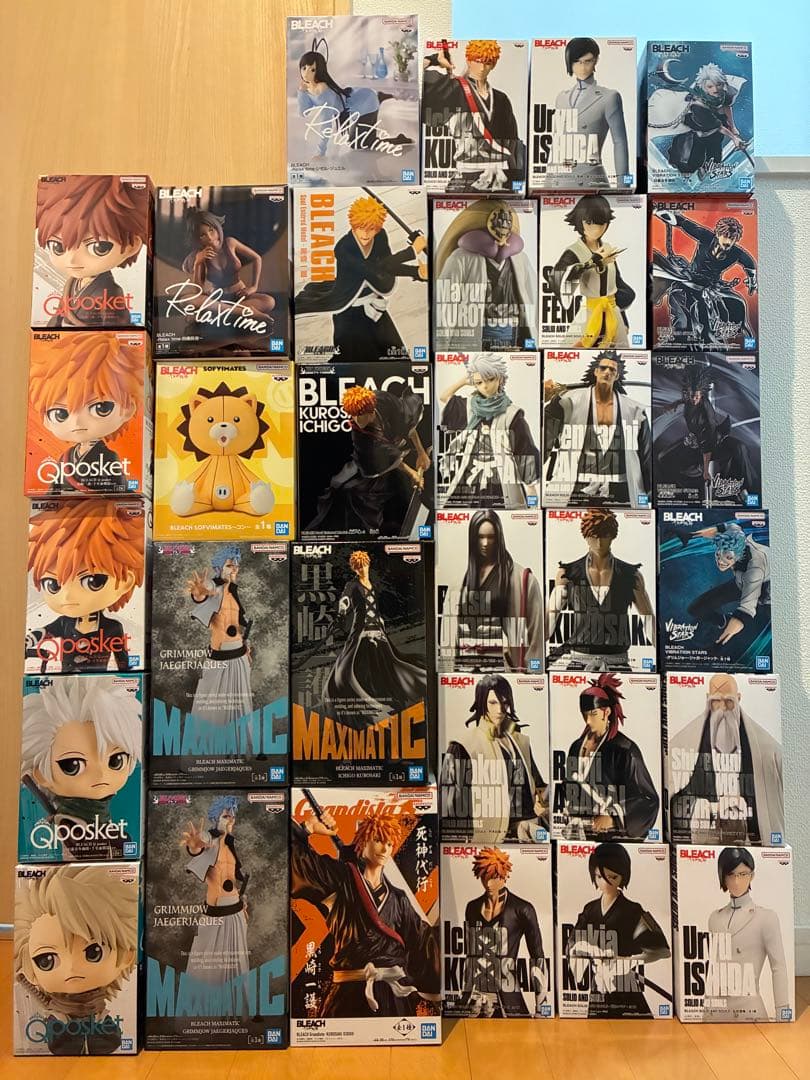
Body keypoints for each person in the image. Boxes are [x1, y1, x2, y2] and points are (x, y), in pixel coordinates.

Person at [291, 804, 441, 1017]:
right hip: (348, 993)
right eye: (378, 840)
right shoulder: (341, 879)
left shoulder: (398, 898)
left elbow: (423, 941)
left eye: (389, 843)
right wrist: (308, 827)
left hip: (393, 996)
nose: (385, 849)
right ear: (363, 842)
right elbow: (301, 865)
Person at [14, 865, 138, 1054]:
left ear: (127, 955)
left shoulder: (100, 1013)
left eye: (93, 953)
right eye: (46, 960)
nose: (71, 968)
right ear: (30, 967)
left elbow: (111, 1038)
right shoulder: (56, 1016)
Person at [20, 677, 142, 860]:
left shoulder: (102, 823)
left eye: (115, 761)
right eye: (73, 765)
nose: (101, 774)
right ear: (40, 774)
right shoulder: (69, 828)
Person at [294, 194, 427, 363]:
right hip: (349, 312)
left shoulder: (380, 236)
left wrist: (417, 272)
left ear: (378, 227)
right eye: (361, 228)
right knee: (349, 361)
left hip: (374, 307)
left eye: (372, 228)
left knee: (396, 358)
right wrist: (412, 251)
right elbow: (374, 269)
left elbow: (388, 266)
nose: (366, 234)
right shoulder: (343, 248)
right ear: (353, 225)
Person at [26, 501, 144, 674]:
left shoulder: (113, 627)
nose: (67, 596)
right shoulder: (64, 623)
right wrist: (28, 642)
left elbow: (123, 662)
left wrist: (128, 681)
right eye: (53, 584)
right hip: (66, 683)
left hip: (100, 684)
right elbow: (43, 632)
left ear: (126, 582)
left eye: (92, 581)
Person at [669, 674, 784, 845]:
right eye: (716, 701)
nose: (722, 708)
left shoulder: (768, 749)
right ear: (708, 700)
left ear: (739, 699)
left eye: (729, 701)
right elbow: (674, 802)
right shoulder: (684, 743)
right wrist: (705, 809)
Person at [305, 384, 431, 538]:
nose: (356, 420)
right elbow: (386, 456)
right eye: (353, 415)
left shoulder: (384, 400)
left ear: (371, 411)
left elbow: (408, 425)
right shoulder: (360, 436)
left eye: (360, 414)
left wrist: (421, 453)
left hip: (399, 448)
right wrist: (412, 473)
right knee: (342, 489)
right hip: (374, 464)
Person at [320, 549, 426, 730]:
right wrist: (342, 611)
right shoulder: (352, 585)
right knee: (353, 666)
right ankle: (367, 705)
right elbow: (345, 600)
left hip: (378, 629)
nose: (362, 569)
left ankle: (396, 697)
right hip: (361, 631)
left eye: (364, 565)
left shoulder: (372, 584)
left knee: (389, 663)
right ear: (354, 568)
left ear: (368, 564)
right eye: (358, 567)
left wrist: (381, 623)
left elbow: (374, 607)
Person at [28, 333, 143, 496]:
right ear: (46, 420)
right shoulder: (65, 458)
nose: (76, 423)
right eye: (60, 413)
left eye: (100, 408)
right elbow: (53, 490)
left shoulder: (109, 457)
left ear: (128, 409)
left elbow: (121, 489)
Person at [565, 842, 671, 1018]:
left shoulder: (633, 909)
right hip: (599, 987)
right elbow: (572, 943)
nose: (605, 883)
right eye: (599, 877)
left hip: (626, 988)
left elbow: (662, 950)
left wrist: (629, 961)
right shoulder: (590, 909)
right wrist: (586, 949)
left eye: (612, 877)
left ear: (623, 876)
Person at [441, 674, 549, 843]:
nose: (499, 709)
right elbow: (450, 808)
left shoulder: (521, 742)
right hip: (486, 840)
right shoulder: (463, 746)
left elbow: (538, 788)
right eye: (492, 703)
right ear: (481, 703)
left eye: (504, 703)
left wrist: (543, 803)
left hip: (528, 834)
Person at [546, 507, 655, 671]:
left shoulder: (631, 575)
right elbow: (550, 618)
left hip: (618, 662)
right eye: (594, 536)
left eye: (604, 535)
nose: (599, 543)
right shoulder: (568, 574)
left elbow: (648, 619)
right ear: (586, 536)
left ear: (612, 536)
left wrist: (664, 659)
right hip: (579, 661)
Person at [35, 175, 148, 328]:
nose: (72, 260)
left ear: (132, 246)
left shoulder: (110, 291)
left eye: (98, 247)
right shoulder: (72, 283)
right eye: (57, 246)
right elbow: (58, 315)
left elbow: (116, 328)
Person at [543, 350, 651, 506]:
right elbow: (545, 438)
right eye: (603, 368)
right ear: (595, 371)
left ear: (617, 376)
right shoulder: (568, 401)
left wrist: (650, 491)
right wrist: (543, 398)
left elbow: (646, 454)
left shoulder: (634, 410)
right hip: (576, 485)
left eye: (612, 369)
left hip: (621, 488)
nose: (607, 372)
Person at [559, 673, 659, 840]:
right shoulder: (576, 747)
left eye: (593, 714)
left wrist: (612, 817)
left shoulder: (625, 749)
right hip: (580, 832)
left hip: (612, 837)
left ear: (606, 712)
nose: (588, 721)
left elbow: (648, 800)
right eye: (584, 714)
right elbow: (570, 788)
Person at [443, 508, 543, 672]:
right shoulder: (459, 581)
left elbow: (536, 635)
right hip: (465, 669)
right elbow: (448, 633)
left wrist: (532, 674)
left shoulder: (523, 580)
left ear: (499, 538)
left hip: (504, 670)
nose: (485, 543)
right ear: (473, 539)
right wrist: (447, 673)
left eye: (491, 537)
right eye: (480, 537)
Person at [434, 198, 537, 351]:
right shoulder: (461, 258)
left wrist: (533, 342)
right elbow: (445, 306)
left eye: (506, 222)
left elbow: (532, 298)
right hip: (475, 338)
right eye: (498, 221)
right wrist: (442, 351)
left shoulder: (520, 259)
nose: (502, 226)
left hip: (513, 336)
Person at [439, 354, 539, 508]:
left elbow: (524, 450)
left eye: (490, 379)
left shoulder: (512, 414)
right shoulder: (469, 407)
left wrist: (531, 490)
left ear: (500, 378)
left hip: (500, 480)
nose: (485, 386)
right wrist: (465, 380)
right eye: (479, 382)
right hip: (471, 478)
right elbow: (444, 397)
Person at [422, 39, 523, 192]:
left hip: (501, 176)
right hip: (467, 175)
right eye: (477, 61)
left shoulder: (501, 98)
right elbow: (411, 78)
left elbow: (512, 141)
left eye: (487, 62)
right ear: (469, 60)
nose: (482, 67)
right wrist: (433, 59)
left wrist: (517, 181)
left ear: (494, 65)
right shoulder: (453, 89)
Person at [703, 847, 790, 1022]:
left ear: (752, 875)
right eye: (731, 874)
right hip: (715, 1010)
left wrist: (782, 1011)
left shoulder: (766, 918)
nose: (736, 881)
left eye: (743, 874)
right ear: (723, 877)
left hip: (749, 1009)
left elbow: (778, 967)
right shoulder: (714, 918)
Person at [652, 208, 757, 349]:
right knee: (681, 320)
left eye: (732, 238)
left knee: (709, 328)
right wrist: (658, 211)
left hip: (707, 290)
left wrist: (752, 281)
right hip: (687, 284)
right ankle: (678, 343)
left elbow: (750, 265)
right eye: (725, 236)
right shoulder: (706, 237)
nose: (728, 241)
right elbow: (683, 223)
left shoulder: (737, 253)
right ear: (718, 234)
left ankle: (742, 346)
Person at [462, 847, 548, 1017]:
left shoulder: (522, 909)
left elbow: (537, 957)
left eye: (494, 877)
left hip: (508, 999)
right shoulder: (472, 908)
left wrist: (542, 1006)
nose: (488, 883)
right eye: (484, 877)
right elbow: (470, 956)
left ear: (504, 876)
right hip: (474, 998)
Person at [656, 363, 756, 505]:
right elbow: (685, 400)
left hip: (709, 441)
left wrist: (705, 470)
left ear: (701, 395)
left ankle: (739, 489)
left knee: (667, 458)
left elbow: (707, 444)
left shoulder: (705, 412)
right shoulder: (690, 398)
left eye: (696, 397)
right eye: (691, 396)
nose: (693, 400)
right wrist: (674, 405)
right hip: (695, 439)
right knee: (662, 457)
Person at [296, 42, 413, 159]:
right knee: (356, 141)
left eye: (312, 70)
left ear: (319, 70)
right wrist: (301, 92)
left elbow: (326, 124)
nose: (306, 73)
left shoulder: (323, 90)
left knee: (359, 144)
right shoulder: (307, 88)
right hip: (355, 96)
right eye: (304, 68)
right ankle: (380, 96)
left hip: (366, 101)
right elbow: (303, 112)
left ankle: (400, 139)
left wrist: (320, 152)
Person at [667, 519, 769, 649]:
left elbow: (746, 611)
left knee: (748, 620)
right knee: (696, 608)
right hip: (740, 582)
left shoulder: (755, 570)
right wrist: (690, 535)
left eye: (728, 557)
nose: (721, 561)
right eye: (719, 555)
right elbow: (725, 527)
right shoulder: (735, 534)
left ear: (738, 555)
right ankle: (723, 621)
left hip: (765, 590)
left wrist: (719, 643)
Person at [181, 796, 250, 987]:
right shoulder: (209, 840)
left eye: (232, 817)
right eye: (226, 816)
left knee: (238, 969)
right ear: (216, 818)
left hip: (237, 912)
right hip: (215, 914)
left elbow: (232, 878)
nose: (230, 820)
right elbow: (197, 846)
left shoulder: (231, 845)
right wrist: (193, 845)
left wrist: (243, 903)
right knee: (206, 971)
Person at [550, 195, 635, 349]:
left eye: (601, 223)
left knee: (619, 355)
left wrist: (624, 318)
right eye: (589, 223)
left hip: (612, 312)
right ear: (580, 221)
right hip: (590, 312)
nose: (595, 229)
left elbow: (617, 284)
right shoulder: (574, 251)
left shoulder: (607, 248)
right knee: (574, 352)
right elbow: (558, 279)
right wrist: (592, 262)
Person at [186, 545, 253, 736]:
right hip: (219, 658)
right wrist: (198, 593)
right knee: (210, 712)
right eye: (230, 565)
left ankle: (238, 750)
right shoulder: (214, 589)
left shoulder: (233, 592)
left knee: (242, 708)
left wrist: (246, 648)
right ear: (219, 567)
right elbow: (201, 594)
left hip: (240, 656)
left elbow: (237, 624)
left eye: (236, 566)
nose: (234, 569)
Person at [648, 60, 748, 180]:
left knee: (715, 154)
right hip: (697, 127)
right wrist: (734, 138)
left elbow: (727, 106)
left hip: (715, 125)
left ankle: (708, 171)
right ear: (703, 87)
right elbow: (717, 126)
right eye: (710, 86)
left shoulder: (725, 91)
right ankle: (686, 171)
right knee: (692, 158)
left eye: (719, 84)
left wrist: (733, 127)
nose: (715, 89)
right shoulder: (697, 105)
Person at [551, 38, 629, 188]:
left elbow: (619, 141)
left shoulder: (609, 97)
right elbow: (557, 141)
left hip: (591, 179)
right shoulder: (561, 98)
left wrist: (623, 186)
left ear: (596, 60)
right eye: (577, 62)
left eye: (587, 61)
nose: (582, 67)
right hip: (559, 179)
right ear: (569, 62)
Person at [180, 208, 276, 320]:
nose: (210, 237)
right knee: (185, 300)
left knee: (269, 301)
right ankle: (246, 312)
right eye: (202, 235)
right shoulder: (201, 255)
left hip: (239, 295)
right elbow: (198, 292)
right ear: (196, 238)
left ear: (217, 227)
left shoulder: (230, 243)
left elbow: (257, 258)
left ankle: (219, 314)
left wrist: (253, 287)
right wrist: (197, 263)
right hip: (217, 298)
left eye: (211, 230)